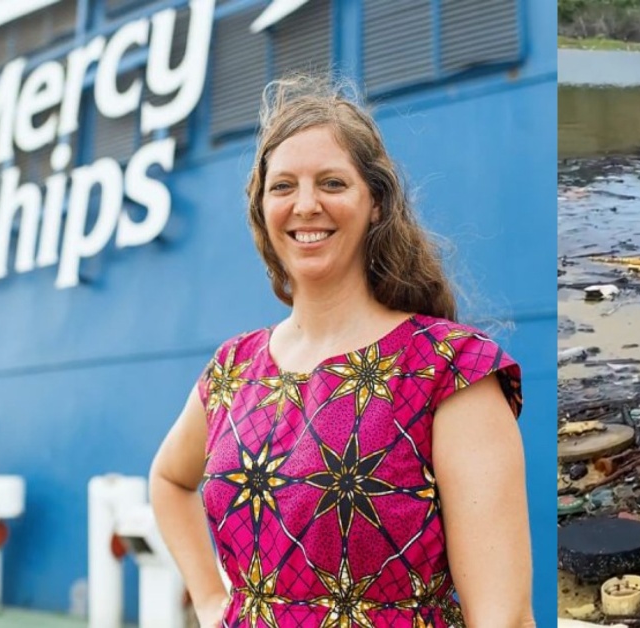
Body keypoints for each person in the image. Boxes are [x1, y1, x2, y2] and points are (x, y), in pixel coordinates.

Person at [149, 73, 533, 628]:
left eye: (332, 183)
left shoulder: (446, 368)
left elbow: (503, 619)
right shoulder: (234, 368)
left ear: (375, 203)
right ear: (261, 209)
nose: (306, 205)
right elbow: (168, 480)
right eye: (283, 186)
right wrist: (212, 603)